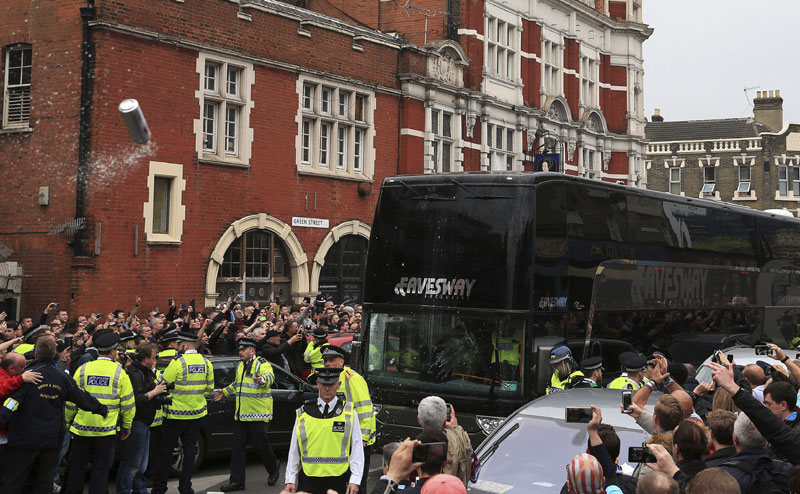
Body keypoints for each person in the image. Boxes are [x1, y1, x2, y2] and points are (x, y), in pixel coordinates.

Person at [0, 338, 106, 494]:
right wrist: (100, 408)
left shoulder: (26, 377)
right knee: (43, 483)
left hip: (22, 441)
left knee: (13, 482)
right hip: (49, 441)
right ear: (55, 354)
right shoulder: (62, 378)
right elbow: (80, 397)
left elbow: (11, 404)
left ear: (36, 354)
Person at [65, 331, 136, 494]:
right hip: (106, 431)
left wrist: (68, 422)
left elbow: (71, 400)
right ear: (113, 351)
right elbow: (128, 404)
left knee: (76, 469)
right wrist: (126, 426)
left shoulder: (83, 370)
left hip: (81, 429)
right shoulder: (120, 372)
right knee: (100, 471)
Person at [151, 330, 215, 494]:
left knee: (166, 451)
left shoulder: (178, 362)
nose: (176, 347)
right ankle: (185, 487)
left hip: (175, 414)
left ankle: (160, 488)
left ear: (185, 344)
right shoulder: (206, 362)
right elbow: (209, 389)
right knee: (189, 451)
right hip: (196, 413)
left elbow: (162, 384)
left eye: (178, 344)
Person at [283, 366, 364, 494]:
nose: (327, 388)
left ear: (338, 385)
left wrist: (355, 479)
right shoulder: (303, 412)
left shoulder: (349, 412)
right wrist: (290, 479)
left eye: (331, 384)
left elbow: (357, 447)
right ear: (318, 384)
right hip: (308, 479)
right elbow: (294, 449)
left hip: (338, 479)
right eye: (324, 384)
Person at [215, 337, 280, 491]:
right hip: (242, 414)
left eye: (243, 350)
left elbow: (270, 377)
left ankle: (273, 467)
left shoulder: (261, 363)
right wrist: (224, 392)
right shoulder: (240, 365)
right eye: (239, 349)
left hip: (258, 414)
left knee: (260, 445)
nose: (240, 352)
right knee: (237, 448)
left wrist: (262, 379)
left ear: (252, 351)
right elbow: (238, 385)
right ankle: (237, 482)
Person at [320, 344, 377, 493]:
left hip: (357, 439)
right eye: (325, 360)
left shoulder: (351, 378)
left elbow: (365, 410)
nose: (327, 363)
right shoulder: (327, 378)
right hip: (339, 439)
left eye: (331, 360)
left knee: (356, 484)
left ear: (341, 362)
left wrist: (363, 438)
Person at [117, 342, 168, 494]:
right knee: (132, 463)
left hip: (144, 423)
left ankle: (139, 489)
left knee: (141, 464)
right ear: (145, 358)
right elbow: (137, 399)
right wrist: (156, 391)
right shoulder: (136, 374)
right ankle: (124, 490)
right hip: (137, 422)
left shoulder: (144, 371)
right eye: (154, 357)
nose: (155, 360)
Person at [417, 396, 472, 487]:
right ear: (444, 422)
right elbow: (472, 473)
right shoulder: (458, 442)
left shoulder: (413, 449)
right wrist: (456, 430)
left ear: (418, 419)